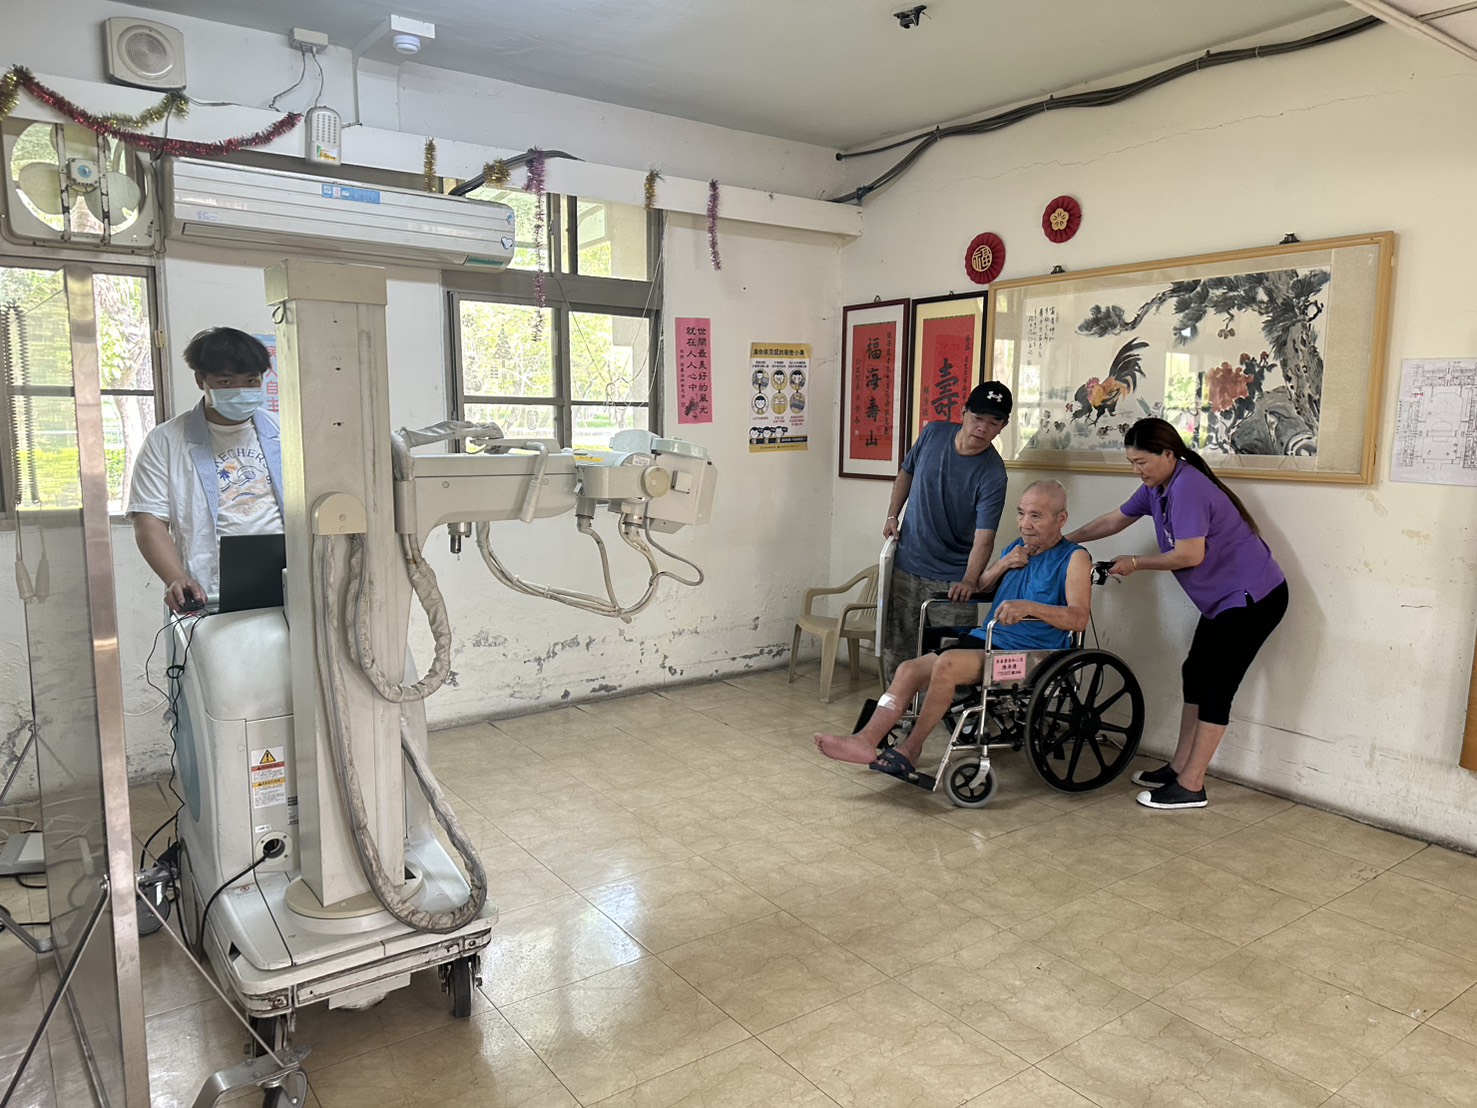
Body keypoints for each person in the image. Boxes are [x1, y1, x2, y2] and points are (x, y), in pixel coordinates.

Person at [1064, 417, 1288, 811]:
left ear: (1168, 454)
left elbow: (1190, 555)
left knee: (1217, 688)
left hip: (1253, 599)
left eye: (1142, 462)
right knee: (1195, 673)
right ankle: (1179, 766)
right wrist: (1064, 542)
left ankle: (1192, 784)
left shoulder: (1188, 488)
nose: (1137, 470)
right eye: (1132, 463)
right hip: (1223, 601)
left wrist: (1135, 562)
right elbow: (1115, 519)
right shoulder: (1159, 486)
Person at [818, 480, 1090, 779]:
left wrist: (1029, 607)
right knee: (909, 669)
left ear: (1061, 519)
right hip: (987, 641)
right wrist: (1002, 565)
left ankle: (910, 749)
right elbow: (981, 587)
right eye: (1021, 513)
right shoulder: (1017, 548)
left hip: (1031, 655)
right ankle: (865, 741)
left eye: (1036, 516)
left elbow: (1078, 618)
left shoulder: (1074, 558)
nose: (1025, 524)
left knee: (947, 664)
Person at [127, 328, 284, 614]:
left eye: (251, 381)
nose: (240, 391)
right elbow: (149, 520)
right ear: (201, 380)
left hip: (287, 581)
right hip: (209, 590)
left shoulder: (286, 431)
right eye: (226, 382)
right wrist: (176, 577)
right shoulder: (165, 440)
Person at [880, 382, 1012, 682]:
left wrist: (970, 580)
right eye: (977, 418)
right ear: (963, 412)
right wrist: (892, 515)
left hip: (953, 580)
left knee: (950, 660)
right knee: (897, 649)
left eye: (993, 423)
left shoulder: (993, 473)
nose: (983, 428)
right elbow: (906, 472)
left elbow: (984, 537)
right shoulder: (933, 434)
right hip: (907, 565)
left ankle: (945, 712)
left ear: (1002, 427)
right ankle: (897, 707)